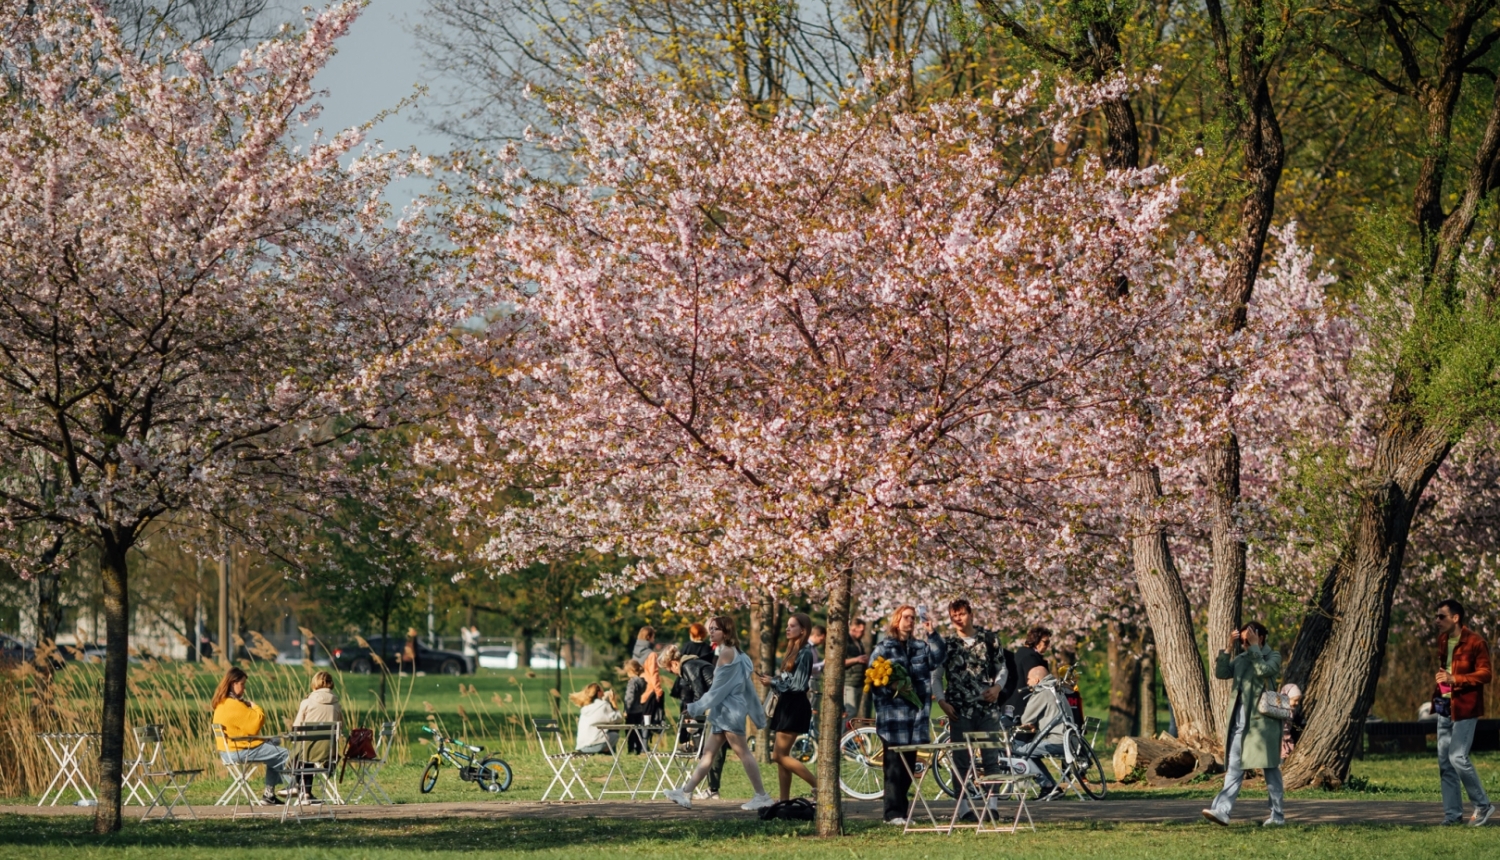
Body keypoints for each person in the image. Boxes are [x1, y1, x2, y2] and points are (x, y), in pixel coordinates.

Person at [665, 615, 774, 811]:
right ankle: (686, 792)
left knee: (743, 753)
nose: (711, 631)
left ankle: (762, 796)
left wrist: (693, 708)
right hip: (723, 712)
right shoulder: (735, 653)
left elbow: (717, 691)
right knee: (708, 754)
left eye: (715, 629)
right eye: (711, 628)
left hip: (729, 712)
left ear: (726, 632)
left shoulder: (727, 654)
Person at [929, 598, 1016, 819]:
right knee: (961, 759)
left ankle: (992, 805)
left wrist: (997, 687)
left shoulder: (989, 640)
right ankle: (963, 808)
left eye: (961, 614)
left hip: (987, 708)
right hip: (958, 710)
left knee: (990, 756)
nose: (958, 618)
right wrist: (941, 701)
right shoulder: (947, 645)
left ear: (971, 614)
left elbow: (1002, 669)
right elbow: (936, 677)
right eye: (953, 615)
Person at [1201, 621, 1285, 827]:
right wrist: (1229, 648)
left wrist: (1255, 648)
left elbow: (1263, 671)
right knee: (1234, 769)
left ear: (1261, 637)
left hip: (1263, 726)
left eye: (1249, 639)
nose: (1245, 643)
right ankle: (1222, 811)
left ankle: (1277, 816)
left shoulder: (1272, 656)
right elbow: (1221, 673)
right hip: (1240, 726)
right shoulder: (1240, 658)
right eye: (1243, 640)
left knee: (1271, 771)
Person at [870, 605, 935, 825]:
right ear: (897, 620)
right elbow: (873, 678)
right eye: (906, 617)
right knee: (893, 766)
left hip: (915, 718)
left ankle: (902, 812)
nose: (910, 621)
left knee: (909, 765)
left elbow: (938, 657)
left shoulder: (920, 647)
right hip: (892, 718)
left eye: (913, 618)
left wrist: (932, 633)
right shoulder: (883, 648)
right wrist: (893, 686)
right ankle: (892, 813)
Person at [1433, 599, 1494, 826]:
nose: (1437, 621)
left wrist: (1455, 679)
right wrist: (1441, 681)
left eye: (1441, 617)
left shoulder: (1475, 642)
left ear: (1455, 618)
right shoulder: (1443, 640)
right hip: (1444, 706)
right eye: (1437, 617)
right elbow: (1446, 668)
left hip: (1466, 707)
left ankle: (1483, 805)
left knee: (1457, 756)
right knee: (1445, 763)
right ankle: (1452, 816)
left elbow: (1486, 674)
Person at [756, 612, 819, 802]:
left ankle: (818, 785)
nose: (787, 629)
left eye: (792, 626)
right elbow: (788, 679)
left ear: (803, 630)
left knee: (778, 755)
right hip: (786, 704)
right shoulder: (793, 650)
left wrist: (773, 683)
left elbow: (798, 685)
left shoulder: (806, 653)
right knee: (782, 758)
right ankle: (783, 801)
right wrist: (773, 680)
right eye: (788, 625)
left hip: (795, 705)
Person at [211, 666, 291, 806]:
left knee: (274, 753)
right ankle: (297, 788)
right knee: (285, 754)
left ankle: (269, 795)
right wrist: (255, 706)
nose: (244, 688)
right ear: (233, 683)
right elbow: (255, 724)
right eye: (242, 684)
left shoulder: (221, 703)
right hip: (240, 750)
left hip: (227, 751)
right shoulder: (233, 705)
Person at [1017, 665, 1070, 799]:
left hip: (1057, 740)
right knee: (1030, 751)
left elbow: (1026, 719)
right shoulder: (1058, 689)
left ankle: (1047, 786)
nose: (1027, 683)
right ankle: (1052, 788)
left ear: (1036, 680)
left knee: (1019, 751)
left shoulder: (1042, 691)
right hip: (1071, 740)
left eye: (1028, 679)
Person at [290, 670, 342, 805]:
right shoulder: (337, 704)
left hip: (308, 752)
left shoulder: (306, 703)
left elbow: (296, 728)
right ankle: (306, 793)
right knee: (307, 752)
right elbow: (340, 728)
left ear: (314, 685)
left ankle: (298, 788)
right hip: (329, 753)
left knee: (302, 752)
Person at [1003, 626, 1051, 722]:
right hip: (1023, 705)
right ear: (1036, 640)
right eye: (1045, 642)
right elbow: (1037, 681)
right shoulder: (1030, 657)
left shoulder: (1021, 653)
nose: (1047, 646)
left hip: (1010, 702)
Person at [570, 683, 622, 754]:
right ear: (599, 692)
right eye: (602, 691)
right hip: (596, 746)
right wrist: (613, 702)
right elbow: (618, 719)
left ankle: (606, 753)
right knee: (615, 734)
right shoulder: (603, 705)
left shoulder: (585, 707)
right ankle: (607, 753)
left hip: (581, 747)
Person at [843, 618, 870, 719]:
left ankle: (847, 734)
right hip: (849, 683)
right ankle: (843, 734)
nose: (863, 633)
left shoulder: (859, 642)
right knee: (850, 711)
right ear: (854, 629)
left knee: (853, 714)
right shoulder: (846, 642)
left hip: (858, 683)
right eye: (862, 630)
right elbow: (839, 663)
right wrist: (857, 660)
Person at [621, 658, 649, 753]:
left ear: (631, 671)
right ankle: (638, 748)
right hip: (639, 709)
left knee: (630, 731)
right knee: (638, 731)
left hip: (632, 710)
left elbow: (630, 697)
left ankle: (630, 749)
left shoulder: (632, 682)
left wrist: (626, 709)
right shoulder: (642, 681)